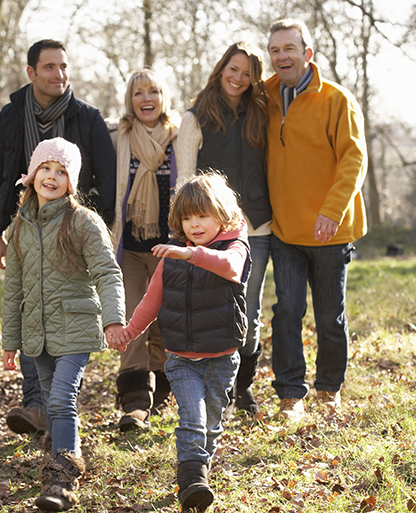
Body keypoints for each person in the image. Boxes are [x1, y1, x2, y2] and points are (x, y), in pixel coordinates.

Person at [0, 39, 117, 435]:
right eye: (49, 67)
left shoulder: (88, 118)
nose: (59, 74)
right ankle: (37, 406)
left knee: (59, 306)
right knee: (32, 301)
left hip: (73, 224)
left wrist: (95, 223)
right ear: (31, 72)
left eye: (64, 66)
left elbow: (108, 178)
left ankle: (54, 418)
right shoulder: (9, 118)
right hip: (25, 224)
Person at [108, 172, 251, 513]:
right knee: (192, 417)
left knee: (212, 422)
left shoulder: (235, 246)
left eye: (202, 216)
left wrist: (191, 256)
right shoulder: (172, 256)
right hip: (181, 358)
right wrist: (129, 332)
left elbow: (231, 267)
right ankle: (190, 481)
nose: (194, 225)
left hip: (222, 356)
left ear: (222, 215)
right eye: (187, 218)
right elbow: (150, 301)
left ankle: (201, 467)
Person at [1, 138, 126, 511]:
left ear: (71, 182)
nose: (52, 177)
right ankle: (54, 460)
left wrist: (114, 319)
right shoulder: (20, 227)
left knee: (60, 399)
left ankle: (62, 479)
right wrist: (11, 340)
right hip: (37, 331)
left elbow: (107, 272)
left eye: (62, 172)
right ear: (32, 174)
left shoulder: (83, 221)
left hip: (76, 326)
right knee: (49, 398)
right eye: (46, 168)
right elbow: (13, 288)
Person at [265, 19, 367, 421]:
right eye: (275, 50)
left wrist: (332, 210)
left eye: (289, 48)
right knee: (287, 310)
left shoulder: (337, 100)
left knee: (329, 315)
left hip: (330, 228)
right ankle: (290, 395)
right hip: (285, 229)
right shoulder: (265, 97)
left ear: (307, 54)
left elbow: (354, 160)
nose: (281, 56)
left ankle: (328, 390)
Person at [176, 41, 270, 418]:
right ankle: (219, 388)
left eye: (247, 73)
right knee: (218, 310)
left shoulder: (260, 114)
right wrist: (186, 231)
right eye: (234, 69)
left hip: (258, 227)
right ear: (221, 69)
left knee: (250, 311)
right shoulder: (195, 117)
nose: (239, 78)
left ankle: (243, 385)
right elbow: (184, 180)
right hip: (214, 233)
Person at [110, 69, 191, 431]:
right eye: (138, 92)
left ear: (164, 97)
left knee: (164, 322)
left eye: (153, 91)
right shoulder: (117, 136)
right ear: (130, 99)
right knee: (132, 319)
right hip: (128, 245)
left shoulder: (179, 138)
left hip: (170, 245)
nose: (146, 98)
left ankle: (159, 394)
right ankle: (135, 401)